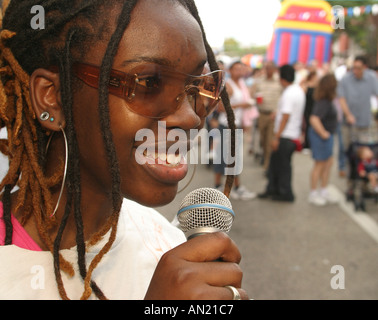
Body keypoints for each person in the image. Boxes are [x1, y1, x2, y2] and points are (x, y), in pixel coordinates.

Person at [0, 0, 248, 300]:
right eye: (149, 83)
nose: (189, 117)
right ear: (52, 97)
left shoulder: (167, 241)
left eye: (197, 86)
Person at [258, 64, 305, 202]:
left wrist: (276, 137)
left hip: (285, 136)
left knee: (283, 167)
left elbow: (286, 116)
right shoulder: (297, 90)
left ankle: (285, 192)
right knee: (277, 164)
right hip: (291, 134)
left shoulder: (289, 93)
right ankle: (273, 189)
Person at [213, 60, 256, 200]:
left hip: (235, 126)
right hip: (226, 125)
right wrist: (241, 105)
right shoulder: (229, 85)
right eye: (236, 69)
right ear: (230, 71)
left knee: (234, 159)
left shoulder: (242, 85)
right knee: (225, 158)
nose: (240, 71)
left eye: (242, 68)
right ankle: (221, 186)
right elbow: (220, 108)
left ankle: (233, 187)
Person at [308, 74, 339, 206]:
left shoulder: (326, 100)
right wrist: (323, 133)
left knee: (328, 163)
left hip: (326, 135)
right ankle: (314, 193)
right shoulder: (324, 102)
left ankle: (323, 189)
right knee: (320, 164)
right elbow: (314, 119)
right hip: (321, 136)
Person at [338, 56, 378, 148]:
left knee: (362, 150)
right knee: (345, 149)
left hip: (364, 122)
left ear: (365, 67)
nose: (355, 71)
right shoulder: (346, 79)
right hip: (348, 123)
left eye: (358, 68)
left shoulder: (371, 78)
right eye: (354, 68)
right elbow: (342, 99)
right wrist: (348, 115)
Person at [253, 61, 282, 173]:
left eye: (270, 68)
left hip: (273, 115)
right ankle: (265, 158)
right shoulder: (260, 81)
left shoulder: (279, 81)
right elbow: (253, 94)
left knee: (270, 140)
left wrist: (277, 111)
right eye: (266, 68)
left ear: (274, 69)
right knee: (263, 140)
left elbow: (283, 98)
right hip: (262, 113)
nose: (268, 70)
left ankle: (268, 165)